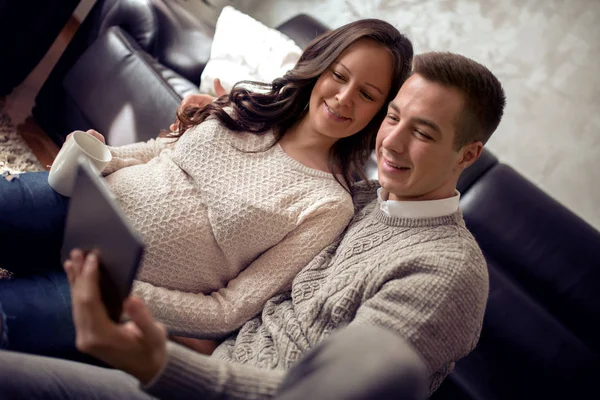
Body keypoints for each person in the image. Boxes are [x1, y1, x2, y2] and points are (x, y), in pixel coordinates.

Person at [0, 50, 505, 399]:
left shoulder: (447, 274)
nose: (392, 143)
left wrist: (167, 361)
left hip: (191, 381)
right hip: (190, 350)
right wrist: (206, 116)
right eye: (393, 117)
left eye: (423, 132)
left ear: (469, 154)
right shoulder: (370, 199)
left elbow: (328, 395)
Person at [0, 19, 413, 355]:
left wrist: (123, 288)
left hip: (114, 287)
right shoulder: (252, 102)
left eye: (367, 94)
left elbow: (229, 310)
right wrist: (102, 158)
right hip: (78, 204)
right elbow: (157, 152)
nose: (343, 98)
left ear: (381, 111)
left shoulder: (328, 204)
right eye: (339, 75)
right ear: (320, 66)